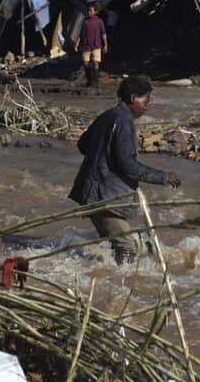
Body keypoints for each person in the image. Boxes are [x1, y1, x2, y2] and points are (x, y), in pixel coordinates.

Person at [69, 75, 181, 264]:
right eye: (145, 101)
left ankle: (103, 275)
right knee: (127, 247)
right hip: (104, 198)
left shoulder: (108, 115)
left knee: (119, 244)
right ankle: (123, 285)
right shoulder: (124, 121)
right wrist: (163, 177)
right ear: (133, 98)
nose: (146, 107)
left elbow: (83, 144)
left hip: (91, 192)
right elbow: (128, 165)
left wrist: (102, 156)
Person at [78, 4, 108, 89]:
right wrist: (78, 43)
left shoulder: (99, 21)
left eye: (91, 10)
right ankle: (89, 80)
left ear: (95, 12)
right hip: (86, 45)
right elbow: (81, 34)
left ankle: (95, 82)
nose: (89, 12)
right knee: (86, 64)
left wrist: (105, 45)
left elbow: (103, 33)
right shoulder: (85, 21)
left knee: (95, 63)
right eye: (88, 10)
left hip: (96, 45)